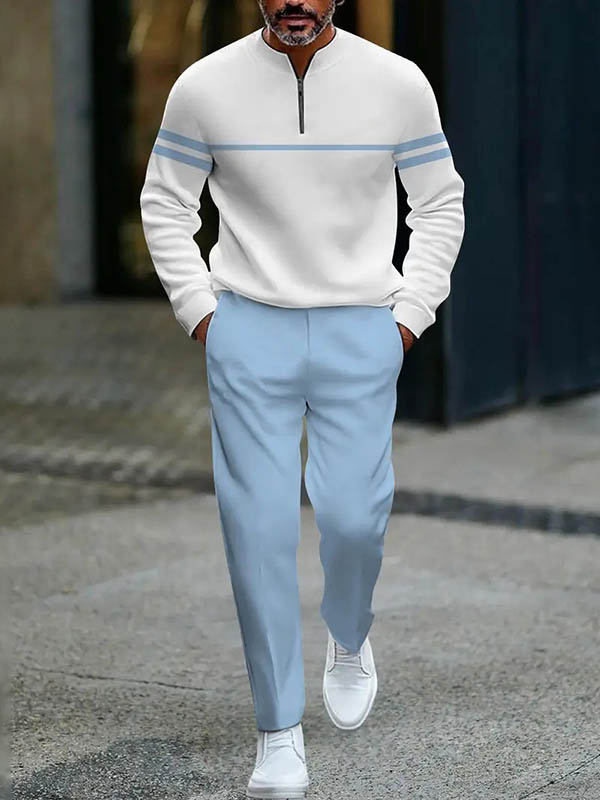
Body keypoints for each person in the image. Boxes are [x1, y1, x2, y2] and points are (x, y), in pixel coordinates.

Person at [140, 1, 465, 796]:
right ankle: (278, 732)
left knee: (353, 519)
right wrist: (203, 315)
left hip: (363, 329)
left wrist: (409, 317)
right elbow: (166, 203)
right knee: (256, 530)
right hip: (248, 329)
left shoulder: (397, 82)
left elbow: (439, 203)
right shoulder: (203, 85)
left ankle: (349, 634)